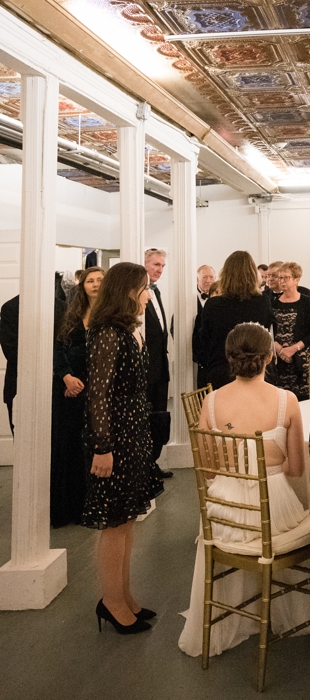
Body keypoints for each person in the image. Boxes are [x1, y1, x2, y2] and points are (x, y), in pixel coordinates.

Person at [179, 323, 310, 658]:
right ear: (270, 356)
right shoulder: (286, 400)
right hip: (272, 511)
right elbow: (297, 469)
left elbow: (209, 470)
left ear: (229, 358)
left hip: (224, 512)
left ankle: (235, 608)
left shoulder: (210, 402)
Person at [82, 262, 164, 633]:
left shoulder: (128, 330)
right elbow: (97, 394)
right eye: (145, 288)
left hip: (133, 433)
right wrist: (103, 447)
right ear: (130, 291)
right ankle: (111, 602)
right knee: (115, 525)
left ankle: (124, 596)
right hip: (114, 438)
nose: (149, 294)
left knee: (127, 521)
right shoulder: (107, 334)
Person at [51, 268, 102, 527]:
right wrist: (66, 377)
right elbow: (59, 347)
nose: (94, 284)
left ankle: (90, 508)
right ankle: (67, 508)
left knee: (91, 448)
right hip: (70, 390)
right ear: (82, 286)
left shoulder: (110, 317)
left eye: (99, 280)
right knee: (69, 447)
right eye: (90, 281)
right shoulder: (71, 314)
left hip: (97, 391)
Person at [197, 252, 274, 389]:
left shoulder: (213, 304)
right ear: (253, 274)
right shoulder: (263, 302)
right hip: (255, 370)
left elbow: (204, 341)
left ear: (225, 274)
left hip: (221, 370)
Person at [267, 262, 310, 401]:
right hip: (280, 358)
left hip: (301, 359)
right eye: (280, 278)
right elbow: (267, 331)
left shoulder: (307, 301)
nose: (282, 281)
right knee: (282, 400)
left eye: (286, 278)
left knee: (303, 399)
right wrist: (280, 349)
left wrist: (293, 348)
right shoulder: (273, 302)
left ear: (297, 279)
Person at [141, 248, 172, 479]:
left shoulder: (156, 292)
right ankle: (143, 466)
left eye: (162, 266)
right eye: (156, 265)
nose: (160, 269)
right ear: (144, 265)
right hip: (144, 372)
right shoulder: (136, 294)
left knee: (159, 418)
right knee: (145, 419)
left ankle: (153, 463)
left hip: (161, 370)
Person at [193, 265, 215, 388]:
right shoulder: (189, 299)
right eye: (204, 277)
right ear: (197, 280)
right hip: (198, 357)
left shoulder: (221, 300)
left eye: (211, 277)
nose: (208, 280)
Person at [1, 293, 18, 432]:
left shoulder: (60, 306)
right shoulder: (10, 308)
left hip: (58, 386)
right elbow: (10, 347)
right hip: (16, 382)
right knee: (19, 433)